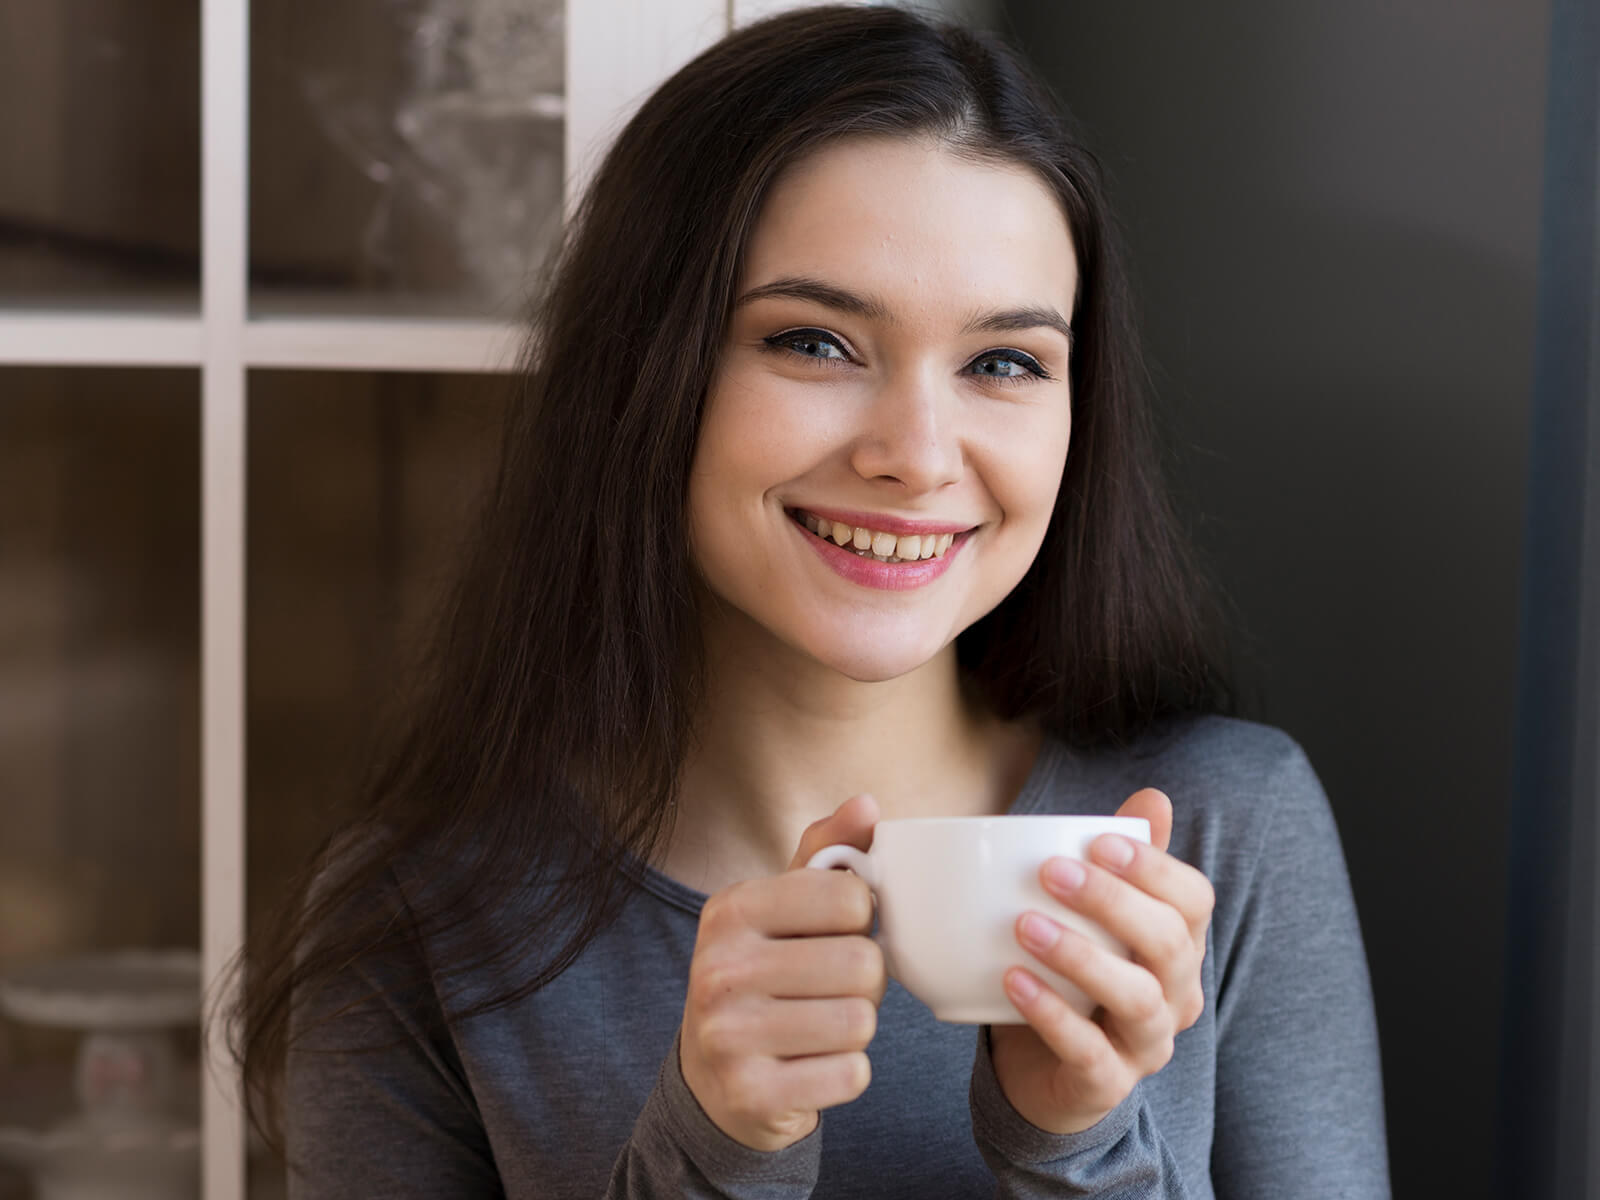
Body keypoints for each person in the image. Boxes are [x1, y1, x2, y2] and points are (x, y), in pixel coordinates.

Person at [221, 5, 1391, 1197]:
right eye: (816, 343)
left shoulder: (1225, 831)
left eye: (1004, 362)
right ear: (646, 370)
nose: (919, 455)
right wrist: (713, 1150)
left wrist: (1080, 1145)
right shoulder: (421, 916)